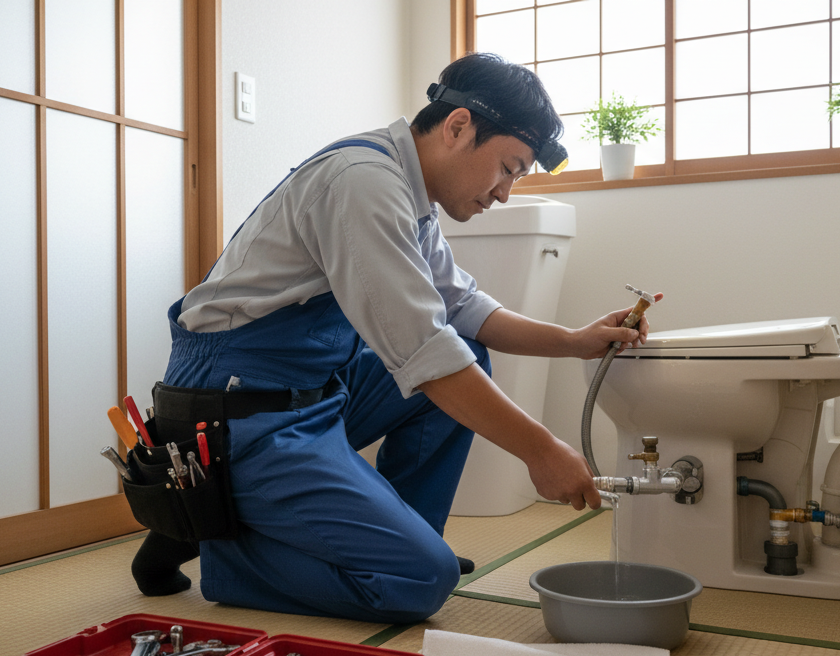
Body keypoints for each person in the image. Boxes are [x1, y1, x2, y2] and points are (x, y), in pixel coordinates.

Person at [130, 52, 658, 623]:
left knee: (469, 355)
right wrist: (541, 450)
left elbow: (464, 310)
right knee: (417, 581)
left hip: (307, 394)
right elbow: (426, 354)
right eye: (508, 167)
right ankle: (223, 540)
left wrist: (576, 340)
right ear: (459, 127)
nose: (505, 191)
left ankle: (388, 536)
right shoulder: (364, 182)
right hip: (236, 412)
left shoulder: (411, 192)